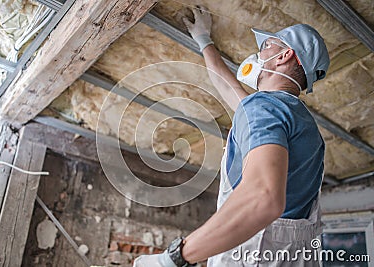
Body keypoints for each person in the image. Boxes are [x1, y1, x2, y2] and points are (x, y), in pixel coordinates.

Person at [134, 5, 330, 267]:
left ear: (284, 56)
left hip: (254, 255)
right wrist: (204, 40)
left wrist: (173, 258)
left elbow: (263, 198)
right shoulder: (305, 127)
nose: (258, 52)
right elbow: (228, 87)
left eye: (268, 45)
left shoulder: (264, 107)